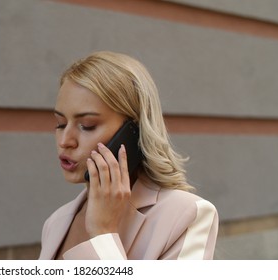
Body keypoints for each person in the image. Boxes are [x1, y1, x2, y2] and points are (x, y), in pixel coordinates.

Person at [38, 51, 218, 260]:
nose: (65, 141)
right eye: (60, 124)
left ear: (133, 132)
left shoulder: (187, 215)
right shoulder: (55, 223)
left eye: (87, 126)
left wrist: (103, 233)